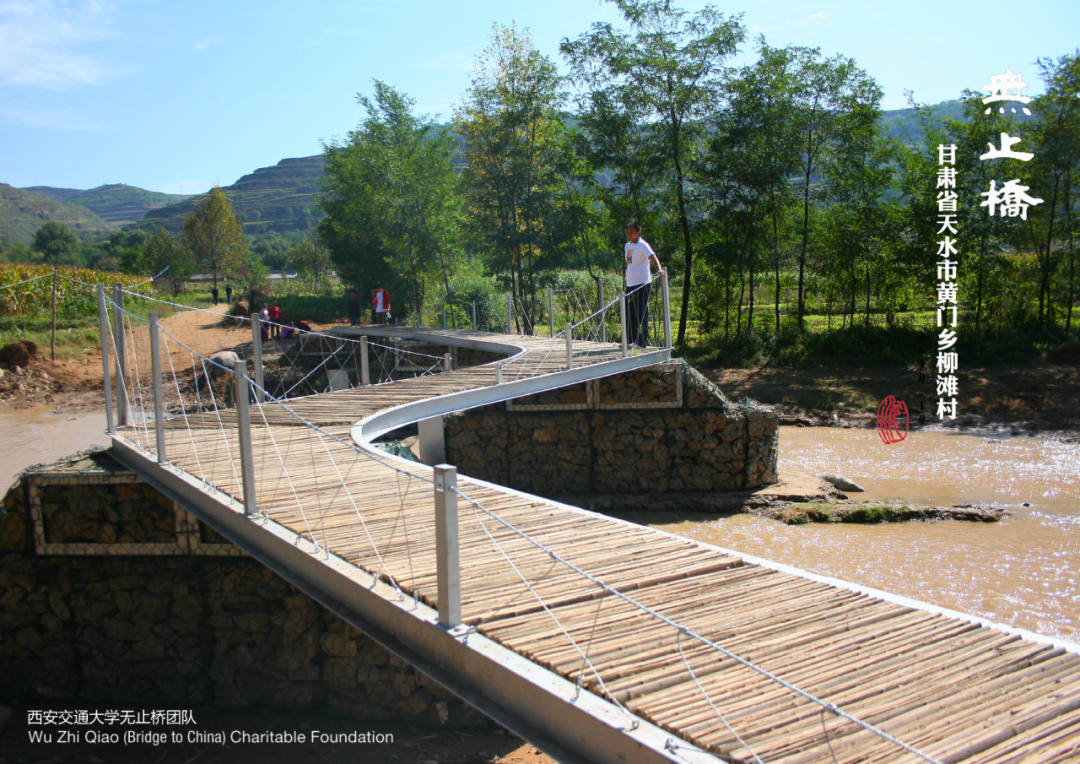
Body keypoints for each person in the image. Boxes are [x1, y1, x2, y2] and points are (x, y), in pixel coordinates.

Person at [623, 222, 664, 348]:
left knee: (641, 311)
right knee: (629, 312)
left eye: (631, 232)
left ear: (638, 233)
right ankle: (630, 341)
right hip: (630, 283)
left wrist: (659, 269)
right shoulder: (627, 246)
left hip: (642, 284)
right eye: (627, 232)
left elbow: (652, 257)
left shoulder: (642, 245)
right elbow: (630, 262)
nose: (629, 234)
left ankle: (642, 342)